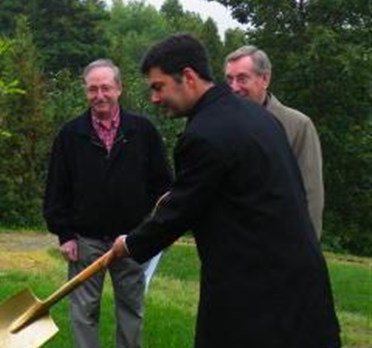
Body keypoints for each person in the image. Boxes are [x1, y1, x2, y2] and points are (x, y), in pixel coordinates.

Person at [111, 34, 341, 348]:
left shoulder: (204, 135)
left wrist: (130, 244)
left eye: (158, 86)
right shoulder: (258, 117)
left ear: (188, 77)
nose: (154, 97)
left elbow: (179, 214)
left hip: (253, 292)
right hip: (302, 286)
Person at [44, 58, 172, 348]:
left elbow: (163, 185)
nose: (99, 96)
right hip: (85, 241)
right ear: (85, 92)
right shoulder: (70, 134)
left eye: (105, 88)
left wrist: (150, 230)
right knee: (83, 312)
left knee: (131, 309)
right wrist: (64, 234)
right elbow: (56, 189)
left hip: (130, 240)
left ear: (119, 89)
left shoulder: (142, 131)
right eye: (92, 89)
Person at [224, 45, 324, 238]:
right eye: (229, 79)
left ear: (265, 79)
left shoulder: (297, 126)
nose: (234, 87)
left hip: (279, 245)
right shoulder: (218, 124)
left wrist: (307, 246)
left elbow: (311, 194)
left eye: (242, 79)